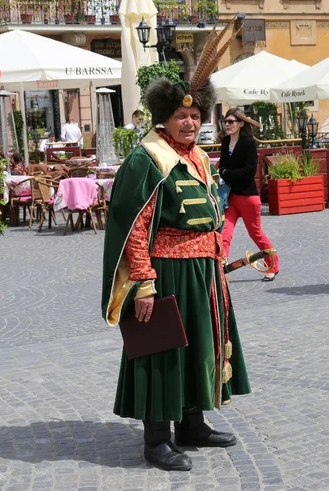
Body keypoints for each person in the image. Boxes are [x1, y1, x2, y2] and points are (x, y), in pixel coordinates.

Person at [102, 25, 251, 472]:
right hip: (164, 271)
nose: (191, 123)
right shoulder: (146, 159)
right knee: (162, 350)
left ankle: (192, 423)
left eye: (196, 117)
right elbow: (134, 227)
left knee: (200, 346)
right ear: (163, 119)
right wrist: (144, 284)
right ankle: (156, 440)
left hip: (202, 271)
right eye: (182, 117)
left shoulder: (199, 157)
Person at [219, 108, 279, 282]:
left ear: (240, 123)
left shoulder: (248, 143)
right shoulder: (225, 142)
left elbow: (250, 170)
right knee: (225, 235)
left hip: (248, 197)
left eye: (231, 121)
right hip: (230, 197)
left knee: (256, 234)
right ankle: (221, 269)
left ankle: (273, 265)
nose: (227, 125)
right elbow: (222, 166)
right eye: (226, 122)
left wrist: (227, 173)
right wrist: (225, 172)